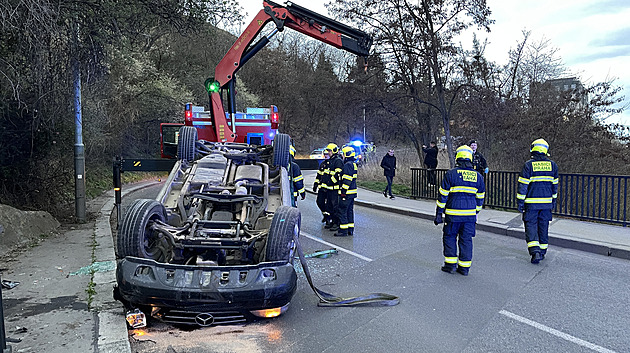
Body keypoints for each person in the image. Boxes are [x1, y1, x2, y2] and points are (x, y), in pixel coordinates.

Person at [434, 145, 485, 276]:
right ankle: (464, 268)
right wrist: (475, 212)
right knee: (466, 240)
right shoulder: (478, 177)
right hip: (469, 216)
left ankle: (450, 265)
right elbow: (480, 198)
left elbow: (443, 195)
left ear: (457, 157)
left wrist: (439, 213)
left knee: (450, 237)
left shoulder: (451, 174)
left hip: (453, 215)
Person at [517, 138, 559, 264]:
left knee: (531, 226)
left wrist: (520, 202)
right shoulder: (553, 165)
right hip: (546, 204)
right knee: (543, 227)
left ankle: (535, 252)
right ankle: (543, 251)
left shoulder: (529, 165)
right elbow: (554, 186)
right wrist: (553, 202)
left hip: (531, 203)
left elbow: (523, 186)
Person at [334, 146, 358, 237]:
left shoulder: (347, 165)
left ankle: (343, 231)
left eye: (343, 154)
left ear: (347, 155)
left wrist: (343, 191)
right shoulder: (353, 164)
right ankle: (350, 229)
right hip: (352, 193)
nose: (342, 156)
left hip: (347, 193)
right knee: (349, 211)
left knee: (342, 211)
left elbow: (347, 179)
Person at [324, 143, 344, 232]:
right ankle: (332, 221)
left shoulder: (337, 161)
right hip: (329, 188)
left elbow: (338, 174)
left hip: (335, 188)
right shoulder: (331, 160)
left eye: (330, 151)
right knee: (329, 206)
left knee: (335, 206)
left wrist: (331, 181)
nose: (328, 152)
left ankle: (336, 223)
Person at [313, 149, 330, 223]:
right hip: (322, 188)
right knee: (319, 202)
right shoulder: (323, 164)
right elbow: (319, 175)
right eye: (325, 154)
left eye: (327, 154)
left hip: (329, 188)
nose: (326, 156)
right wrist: (316, 184)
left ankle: (329, 218)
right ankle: (325, 215)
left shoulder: (332, 164)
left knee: (329, 204)